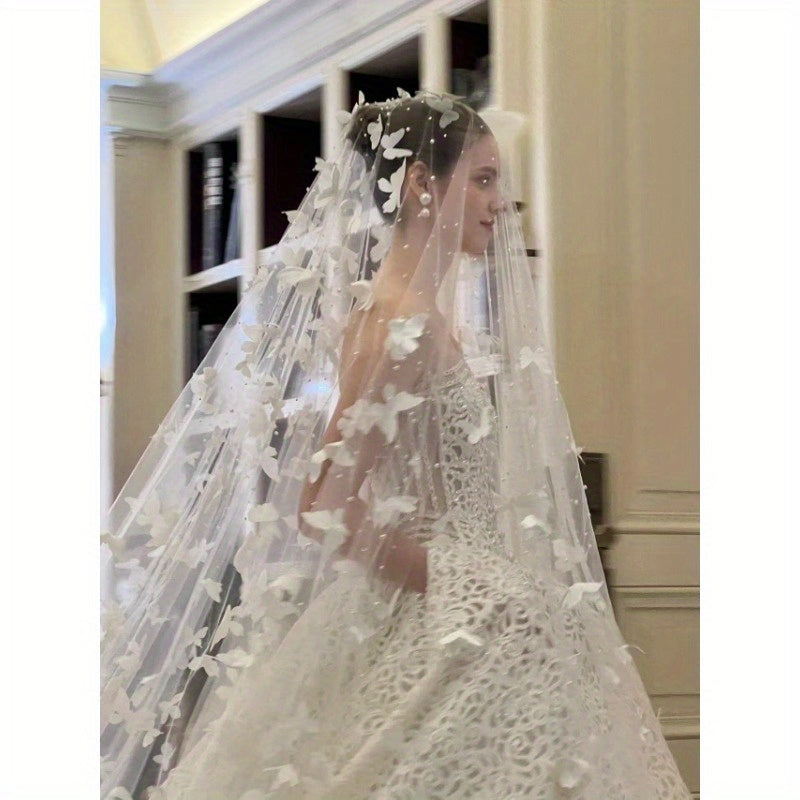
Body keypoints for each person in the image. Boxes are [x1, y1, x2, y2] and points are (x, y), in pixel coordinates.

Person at [101, 91, 693, 799]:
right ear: (419, 183)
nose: (499, 203)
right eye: (482, 179)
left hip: (470, 616)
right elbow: (325, 505)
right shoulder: (396, 324)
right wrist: (462, 582)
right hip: (448, 614)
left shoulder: (422, 319)